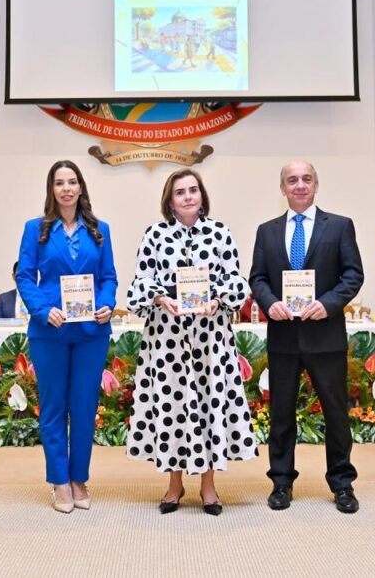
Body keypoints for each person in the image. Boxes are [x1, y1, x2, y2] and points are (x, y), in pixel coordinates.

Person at [126, 170, 256, 516]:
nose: (187, 196)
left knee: (209, 404)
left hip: (210, 336)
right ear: (170, 200)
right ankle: (174, 484)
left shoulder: (220, 232)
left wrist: (219, 300)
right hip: (167, 338)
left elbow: (235, 279)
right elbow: (141, 281)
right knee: (172, 407)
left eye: (193, 190)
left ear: (202, 196)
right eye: (180, 192)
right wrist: (159, 298)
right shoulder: (154, 234)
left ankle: (208, 486)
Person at [249, 160, 364, 514]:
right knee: (281, 414)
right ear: (282, 187)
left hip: (325, 336)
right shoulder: (266, 231)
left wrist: (327, 304)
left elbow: (353, 275)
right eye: (292, 180)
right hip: (283, 337)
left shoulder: (340, 226)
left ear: (316, 184)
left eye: (306, 179)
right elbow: (257, 278)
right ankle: (281, 483)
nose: (299, 185)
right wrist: (270, 303)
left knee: (335, 414)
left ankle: (342, 484)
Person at [16, 160, 117, 514]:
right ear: (52, 189)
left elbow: (109, 277)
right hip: (50, 331)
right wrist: (43, 310)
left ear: (81, 187)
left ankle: (79, 479)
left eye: (72, 182)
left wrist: (107, 304)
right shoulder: (35, 229)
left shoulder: (99, 229)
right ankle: (59, 481)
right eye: (59, 183)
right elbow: (25, 276)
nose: (66, 189)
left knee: (85, 408)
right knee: (54, 408)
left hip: (91, 332)